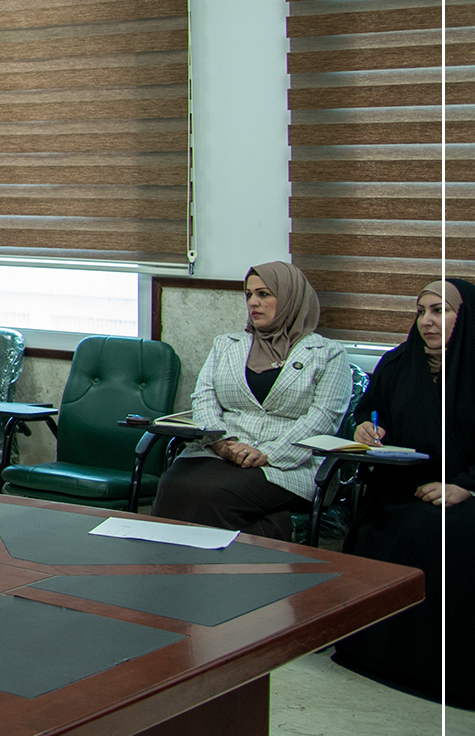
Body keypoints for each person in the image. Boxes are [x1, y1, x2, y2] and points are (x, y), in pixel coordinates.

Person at [332, 279, 473, 708]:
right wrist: (364, 427)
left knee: (448, 536)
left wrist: (464, 486)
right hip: (400, 488)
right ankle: (383, 657)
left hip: (465, 492)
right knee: (391, 529)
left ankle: (446, 672)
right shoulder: (396, 363)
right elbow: (366, 412)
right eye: (421, 311)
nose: (427, 321)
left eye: (440, 311)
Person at [152, 261, 352, 541]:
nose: (253, 302)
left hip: (288, 464)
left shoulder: (327, 353)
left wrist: (267, 453)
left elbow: (323, 418)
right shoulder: (227, 345)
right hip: (221, 453)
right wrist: (220, 442)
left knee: (213, 495)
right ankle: (173, 562)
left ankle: (200, 564)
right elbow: (204, 398)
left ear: (291, 298)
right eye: (248, 295)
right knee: (172, 485)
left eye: (264, 294)